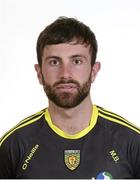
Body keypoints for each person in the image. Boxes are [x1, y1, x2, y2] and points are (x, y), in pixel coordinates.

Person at [0, 16, 140, 179]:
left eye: (77, 61)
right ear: (39, 73)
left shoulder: (131, 142)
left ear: (94, 71)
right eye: (54, 62)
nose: (65, 74)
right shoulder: (13, 146)